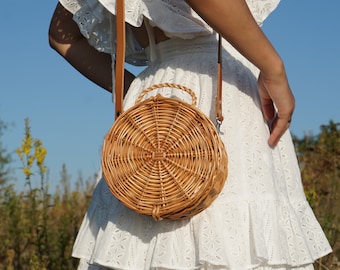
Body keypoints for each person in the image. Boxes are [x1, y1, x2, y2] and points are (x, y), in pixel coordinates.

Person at [48, 0, 332, 269]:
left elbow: (62, 35)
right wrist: (273, 68)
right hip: (220, 89)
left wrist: (135, 92)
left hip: (157, 100)